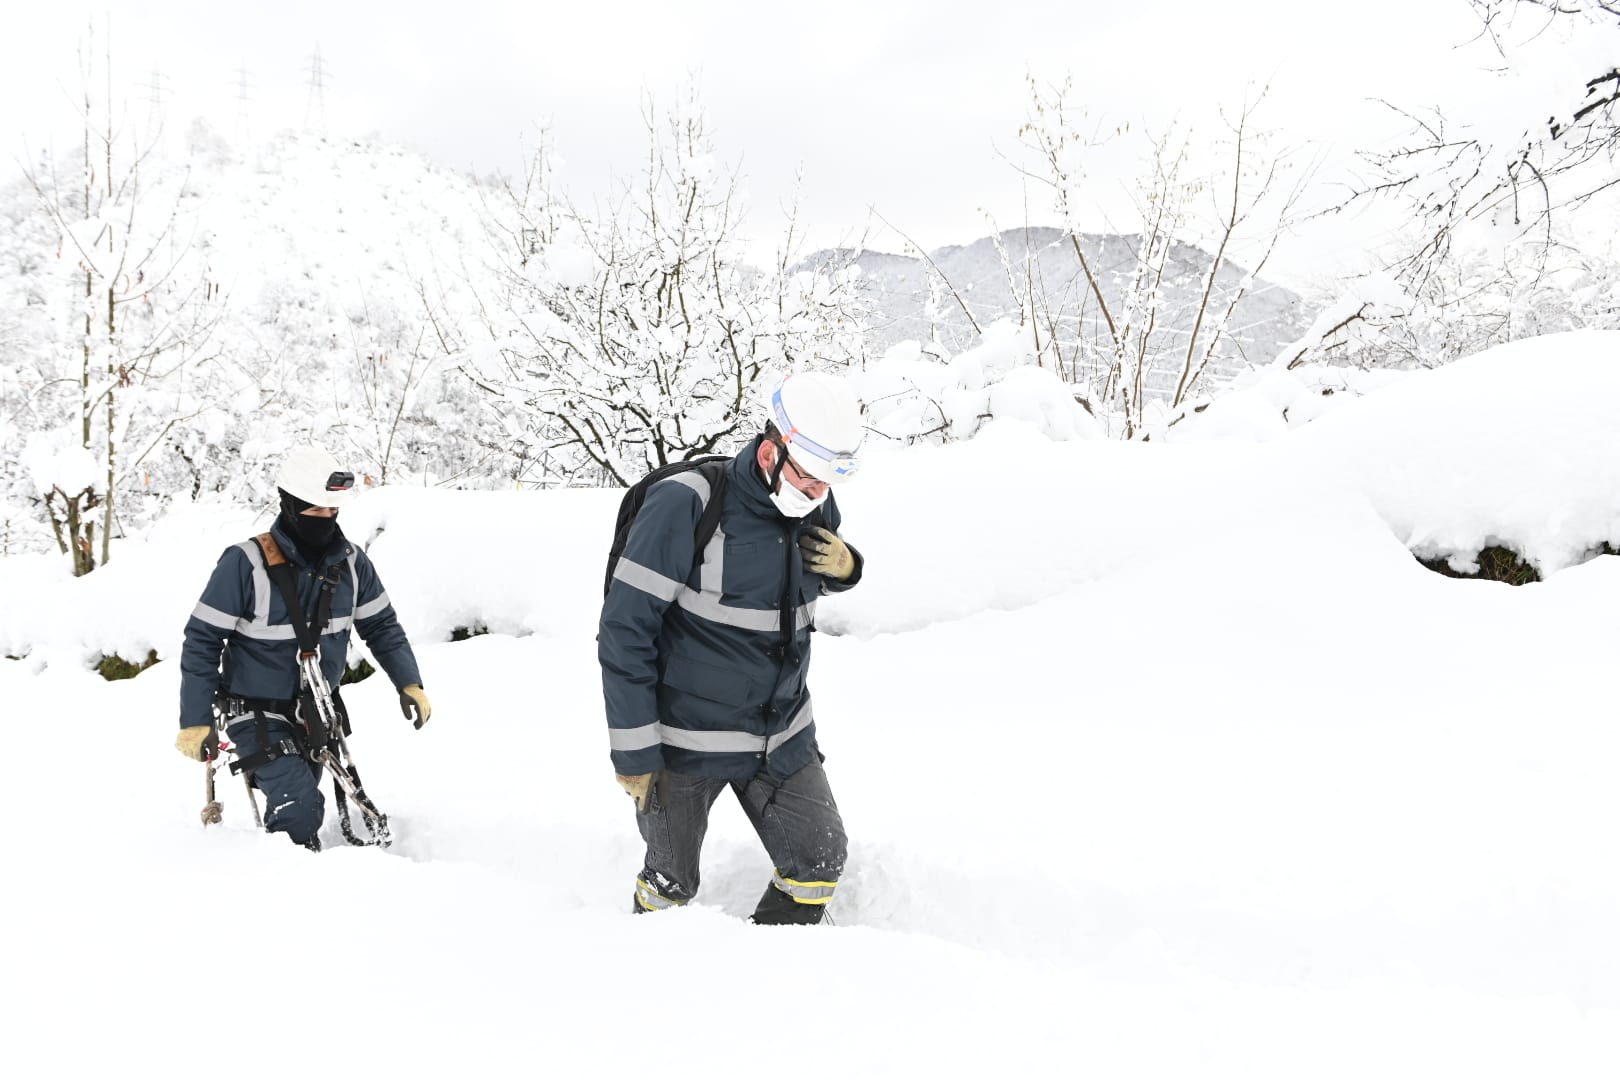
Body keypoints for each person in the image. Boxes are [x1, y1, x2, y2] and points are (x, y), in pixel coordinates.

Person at [599, 371, 866, 924]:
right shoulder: (688, 503)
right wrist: (633, 751)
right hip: (684, 742)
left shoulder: (812, 501)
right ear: (772, 451)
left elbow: (800, 584)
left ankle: (762, 978)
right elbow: (625, 629)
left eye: (827, 486)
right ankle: (641, 974)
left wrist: (848, 568)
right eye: (811, 480)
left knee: (818, 863)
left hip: (780, 734)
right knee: (670, 886)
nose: (818, 496)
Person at [174, 445, 431, 850]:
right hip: (255, 714)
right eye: (316, 511)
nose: (326, 520)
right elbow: (202, 641)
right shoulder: (245, 563)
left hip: (317, 713)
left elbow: (381, 626)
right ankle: (284, 885)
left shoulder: (350, 564)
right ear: (290, 506)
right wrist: (195, 718)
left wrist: (408, 682)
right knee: (299, 808)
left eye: (333, 512)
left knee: (304, 804)